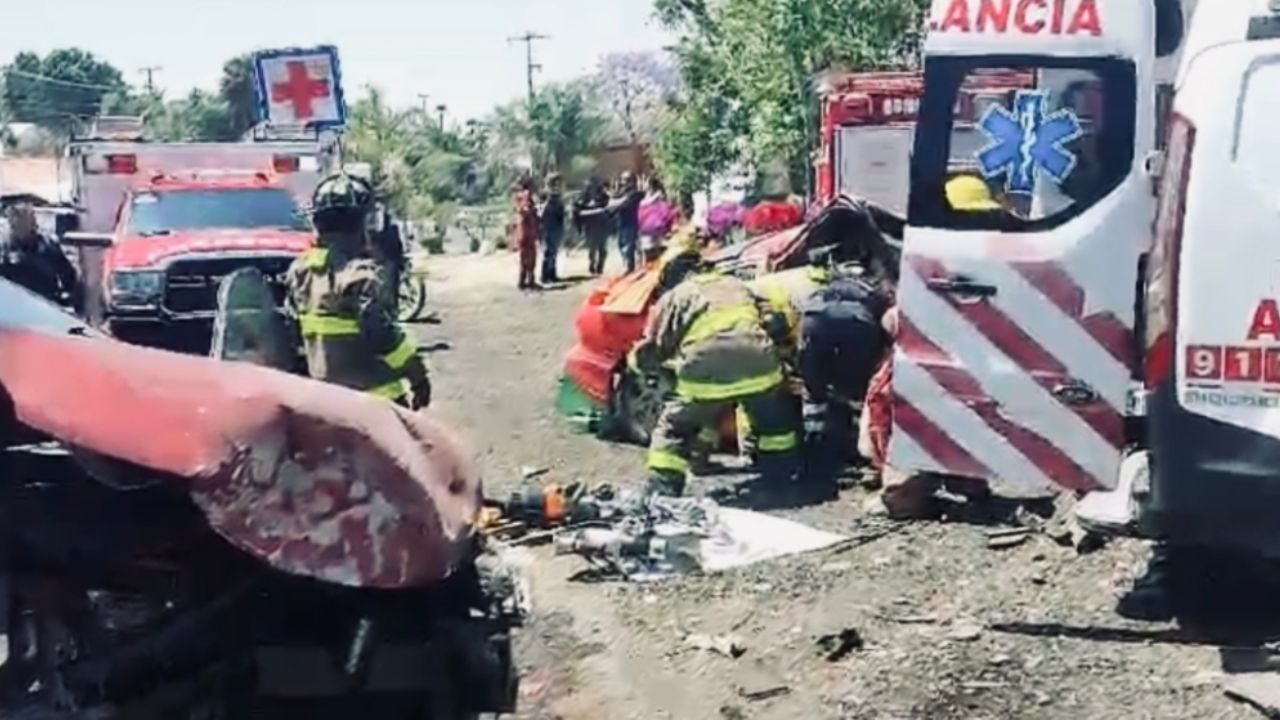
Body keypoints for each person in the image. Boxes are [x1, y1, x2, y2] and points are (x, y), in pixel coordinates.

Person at [629, 251, 799, 497]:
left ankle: (663, 488)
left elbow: (656, 346)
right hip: (760, 366)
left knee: (675, 429)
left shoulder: (676, 296)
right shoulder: (736, 285)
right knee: (774, 423)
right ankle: (781, 478)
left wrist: (641, 364)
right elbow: (777, 322)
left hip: (704, 374)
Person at [285, 172, 431, 409]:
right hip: (378, 404)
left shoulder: (299, 272)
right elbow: (382, 336)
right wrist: (417, 375)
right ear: (360, 225)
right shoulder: (362, 276)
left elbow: (293, 335)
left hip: (326, 404)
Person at [0, 203, 81, 308]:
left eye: (22, 221)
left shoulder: (49, 248)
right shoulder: (4, 253)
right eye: (14, 222)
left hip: (45, 306)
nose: (16, 225)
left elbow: (69, 278)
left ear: (33, 223)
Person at [573, 175, 611, 275]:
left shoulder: (604, 196)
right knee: (593, 248)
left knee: (601, 248)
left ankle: (600, 266)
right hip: (591, 226)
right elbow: (577, 210)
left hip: (601, 225)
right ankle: (593, 264)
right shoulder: (584, 197)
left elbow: (609, 209)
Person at [609, 171, 644, 274]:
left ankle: (629, 268)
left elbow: (620, 204)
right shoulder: (621, 192)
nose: (624, 182)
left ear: (633, 181)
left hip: (631, 224)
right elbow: (610, 204)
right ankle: (628, 266)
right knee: (621, 245)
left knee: (628, 247)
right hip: (621, 223)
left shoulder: (636, 193)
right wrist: (614, 198)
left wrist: (614, 201)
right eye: (623, 179)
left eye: (627, 180)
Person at [512, 175, 540, 290]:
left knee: (524, 256)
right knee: (530, 256)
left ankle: (523, 280)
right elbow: (525, 210)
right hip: (527, 229)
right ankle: (529, 280)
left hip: (522, 229)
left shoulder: (518, 196)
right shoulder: (526, 196)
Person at [539, 173, 566, 284]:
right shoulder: (548, 198)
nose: (558, 185)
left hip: (556, 227)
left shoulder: (557, 197)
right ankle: (545, 275)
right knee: (549, 252)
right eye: (556, 182)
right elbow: (543, 213)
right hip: (549, 227)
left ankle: (552, 273)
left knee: (554, 252)